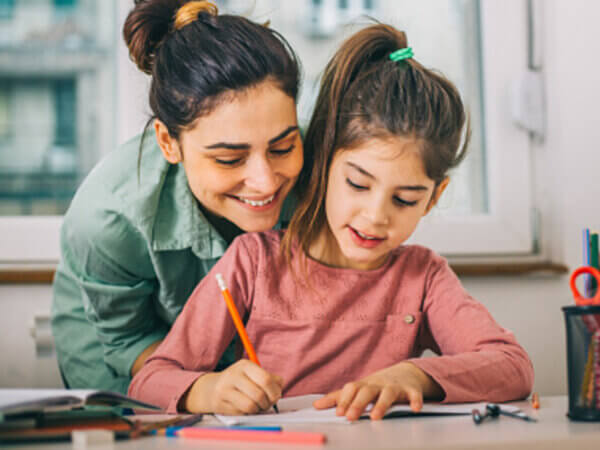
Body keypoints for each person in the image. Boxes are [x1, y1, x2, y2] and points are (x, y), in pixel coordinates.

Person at [129, 23, 533, 420]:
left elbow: (513, 367)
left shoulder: (423, 277)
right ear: (323, 164)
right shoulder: (254, 262)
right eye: (358, 184)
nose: (376, 216)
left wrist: (414, 375)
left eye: (405, 199)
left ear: (434, 198)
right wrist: (208, 390)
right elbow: (149, 380)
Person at [51, 0, 304, 394]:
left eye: (283, 148)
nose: (265, 181)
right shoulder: (108, 218)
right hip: (123, 358)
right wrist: (200, 388)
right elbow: (126, 340)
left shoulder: (327, 169)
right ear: (169, 143)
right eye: (229, 158)